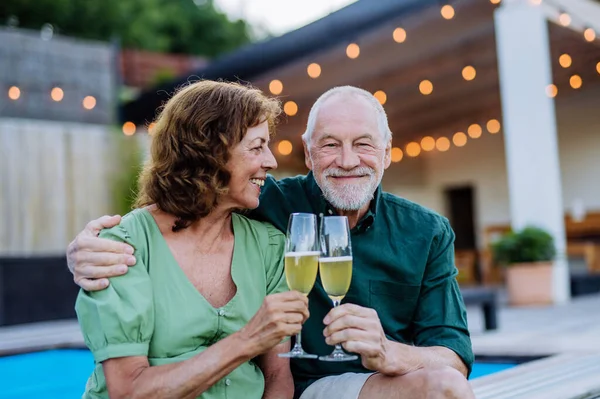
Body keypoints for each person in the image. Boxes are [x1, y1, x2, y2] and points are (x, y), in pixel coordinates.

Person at [68, 85, 475, 399]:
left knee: (445, 385)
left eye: (364, 144)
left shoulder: (426, 232)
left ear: (387, 153)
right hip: (314, 386)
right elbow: (186, 205)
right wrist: (84, 249)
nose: (348, 160)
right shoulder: (270, 205)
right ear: (310, 153)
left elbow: (454, 356)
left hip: (380, 381)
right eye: (331, 144)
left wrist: (389, 351)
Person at [73, 80, 311, 399]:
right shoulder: (124, 247)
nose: (271, 161)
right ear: (209, 153)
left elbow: (277, 375)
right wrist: (246, 341)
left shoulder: (268, 246)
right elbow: (129, 390)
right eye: (257, 147)